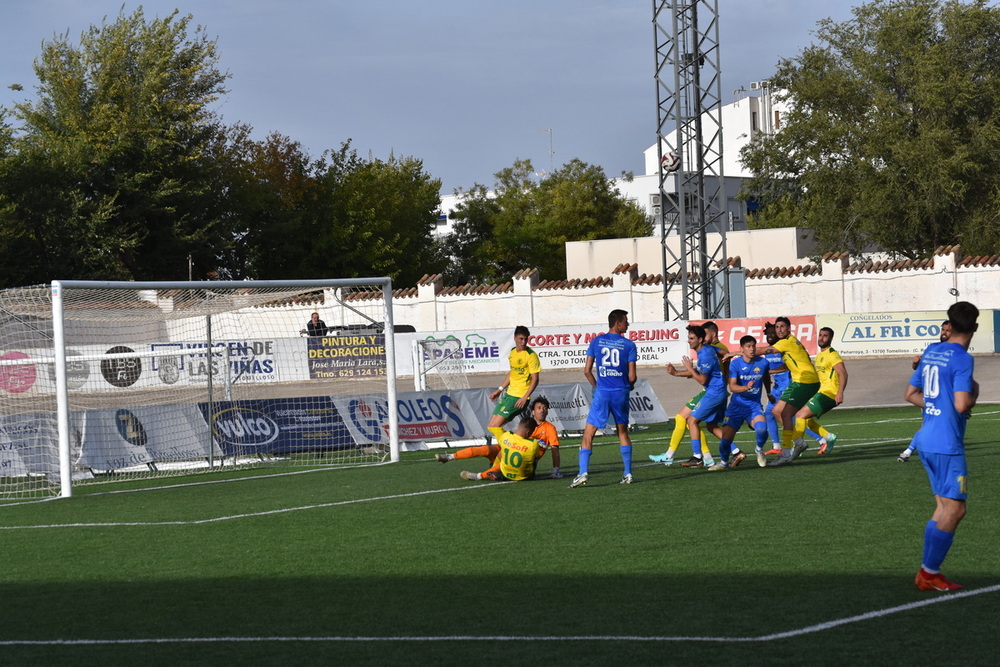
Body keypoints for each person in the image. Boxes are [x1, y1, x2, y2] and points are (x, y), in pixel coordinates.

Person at [905, 301, 979, 592]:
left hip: (925, 439)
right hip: (947, 443)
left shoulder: (932, 351)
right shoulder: (962, 358)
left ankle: (927, 572)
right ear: (974, 327)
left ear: (949, 324)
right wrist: (975, 394)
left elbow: (910, 394)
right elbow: (962, 404)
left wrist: (936, 406)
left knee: (942, 507)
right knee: (956, 510)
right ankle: (930, 572)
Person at [569, 309, 638, 487]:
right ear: (617, 323)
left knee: (588, 434)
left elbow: (586, 370)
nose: (628, 324)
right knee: (622, 432)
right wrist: (627, 386)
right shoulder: (629, 345)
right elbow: (632, 377)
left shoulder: (597, 341)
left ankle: (583, 472)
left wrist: (597, 386)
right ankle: (628, 473)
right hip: (621, 393)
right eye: (625, 321)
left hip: (603, 392)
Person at [647, 320, 727, 467]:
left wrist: (688, 368)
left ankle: (694, 456)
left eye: (691, 338)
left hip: (713, 392)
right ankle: (715, 455)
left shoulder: (708, 352)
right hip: (714, 390)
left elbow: (702, 378)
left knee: (689, 420)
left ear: (703, 338)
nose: (688, 341)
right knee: (703, 424)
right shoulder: (709, 349)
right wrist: (677, 372)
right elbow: (720, 356)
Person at [753, 317, 820, 467]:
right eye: (777, 327)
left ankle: (786, 452)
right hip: (799, 381)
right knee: (777, 411)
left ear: (789, 329)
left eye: (782, 327)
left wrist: (739, 352)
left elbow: (763, 350)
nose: (779, 330)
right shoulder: (790, 341)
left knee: (787, 414)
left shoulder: (786, 342)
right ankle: (798, 443)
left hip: (806, 381)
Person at [710, 335, 770, 470]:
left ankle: (759, 450)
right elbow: (732, 387)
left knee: (762, 429)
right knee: (725, 440)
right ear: (741, 349)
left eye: (754, 346)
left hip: (754, 406)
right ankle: (724, 462)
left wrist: (769, 393)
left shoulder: (763, 363)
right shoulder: (736, 364)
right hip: (736, 407)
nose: (752, 349)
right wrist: (745, 387)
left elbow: (766, 376)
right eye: (748, 346)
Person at [899, 320, 952, 462]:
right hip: (931, 393)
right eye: (943, 330)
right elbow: (919, 369)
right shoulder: (932, 347)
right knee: (930, 423)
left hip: (945, 393)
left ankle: (908, 452)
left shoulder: (955, 351)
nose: (944, 333)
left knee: (932, 424)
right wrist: (915, 363)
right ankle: (909, 451)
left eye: (948, 330)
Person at [436, 416, 547, 482]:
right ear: (528, 432)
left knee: (489, 450)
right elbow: (535, 459)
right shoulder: (533, 444)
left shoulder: (506, 436)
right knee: (492, 451)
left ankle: (452, 457)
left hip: (504, 467)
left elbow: (494, 426)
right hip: (522, 475)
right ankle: (477, 474)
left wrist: (507, 415)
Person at [793, 326, 848, 455]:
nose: (822, 338)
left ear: (831, 338)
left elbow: (843, 373)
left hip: (830, 394)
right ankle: (828, 437)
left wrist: (840, 392)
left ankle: (797, 447)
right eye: (820, 335)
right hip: (822, 392)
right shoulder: (820, 355)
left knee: (799, 415)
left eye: (825, 336)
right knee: (804, 419)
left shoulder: (832, 355)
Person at [487, 326, 540, 429]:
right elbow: (512, 373)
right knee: (491, 427)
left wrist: (525, 397)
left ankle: (512, 444)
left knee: (495, 427)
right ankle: (512, 443)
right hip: (509, 395)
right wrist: (499, 390)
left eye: (526, 339)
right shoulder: (513, 352)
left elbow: (535, 379)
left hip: (519, 397)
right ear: (515, 338)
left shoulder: (531, 355)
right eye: (521, 339)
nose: (523, 342)